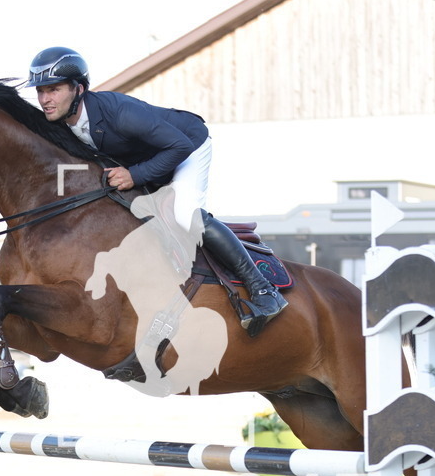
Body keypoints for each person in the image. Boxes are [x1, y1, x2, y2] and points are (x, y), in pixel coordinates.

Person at [27, 46, 287, 337]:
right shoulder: (60, 123)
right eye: (40, 91)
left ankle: (263, 289)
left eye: (53, 90)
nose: (45, 100)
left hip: (187, 147)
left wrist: (134, 175)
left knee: (185, 215)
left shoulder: (120, 113)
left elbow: (179, 146)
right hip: (149, 157)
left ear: (79, 89)